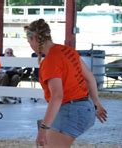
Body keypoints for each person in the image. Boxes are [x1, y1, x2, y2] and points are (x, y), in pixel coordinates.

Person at [24, 19, 107, 147]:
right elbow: (90, 78)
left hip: (71, 111)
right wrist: (96, 103)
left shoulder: (50, 61)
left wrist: (44, 128)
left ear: (34, 38)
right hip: (86, 108)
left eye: (29, 41)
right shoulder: (68, 51)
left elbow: (57, 96)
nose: (30, 45)